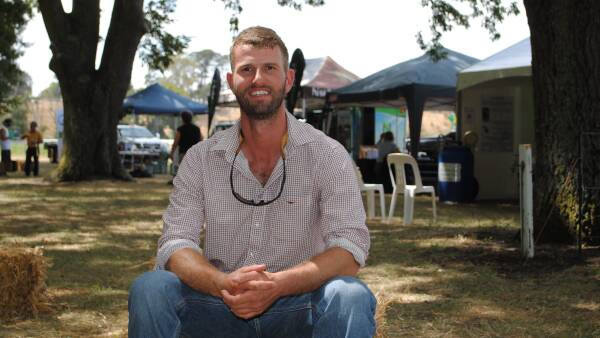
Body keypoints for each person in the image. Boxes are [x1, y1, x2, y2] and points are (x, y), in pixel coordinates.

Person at [128, 26, 376, 338]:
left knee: (350, 295)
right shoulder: (201, 158)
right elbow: (176, 243)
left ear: (288, 79)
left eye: (269, 68)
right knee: (150, 288)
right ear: (232, 82)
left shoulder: (328, 155)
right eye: (247, 69)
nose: (258, 79)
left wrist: (277, 285)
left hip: (296, 306)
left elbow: (348, 249)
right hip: (220, 303)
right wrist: (222, 282)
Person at [168, 110, 202, 184]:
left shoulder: (180, 129)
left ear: (182, 118)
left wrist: (171, 153)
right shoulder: (197, 129)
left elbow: (176, 142)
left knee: (184, 169)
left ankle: (185, 183)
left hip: (184, 152)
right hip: (195, 153)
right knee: (193, 169)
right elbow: (201, 140)